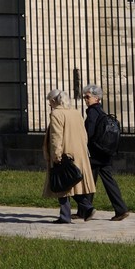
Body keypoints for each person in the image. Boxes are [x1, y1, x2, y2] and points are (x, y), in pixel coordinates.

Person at [43, 88, 95, 224]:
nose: (49, 105)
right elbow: (84, 134)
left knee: (61, 183)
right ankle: (86, 207)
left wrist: (56, 155)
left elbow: (56, 137)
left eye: (50, 102)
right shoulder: (76, 113)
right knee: (72, 182)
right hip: (79, 152)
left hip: (64, 152)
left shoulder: (56, 114)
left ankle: (65, 215)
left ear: (54, 101)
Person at [82, 84, 130, 221]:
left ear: (96, 98)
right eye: (84, 97)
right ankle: (120, 209)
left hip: (95, 153)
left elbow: (89, 133)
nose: (85, 100)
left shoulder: (92, 112)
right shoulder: (101, 111)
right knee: (105, 180)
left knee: (89, 181)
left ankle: (85, 209)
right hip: (104, 152)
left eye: (87, 97)